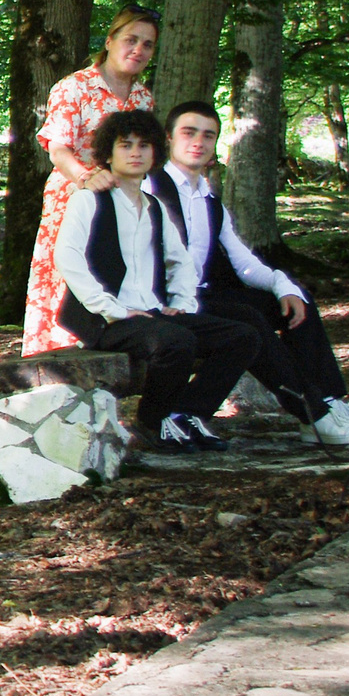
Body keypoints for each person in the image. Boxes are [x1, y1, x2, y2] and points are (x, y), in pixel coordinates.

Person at [153, 101, 349, 446]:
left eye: (208, 135)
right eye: (188, 133)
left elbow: (242, 261)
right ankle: (311, 412)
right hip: (168, 301)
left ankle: (328, 402)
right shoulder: (149, 189)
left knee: (294, 298)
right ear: (169, 138)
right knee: (246, 318)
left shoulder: (209, 199)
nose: (198, 142)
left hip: (205, 294)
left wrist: (283, 285)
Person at [53, 109, 262, 453]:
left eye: (144, 145)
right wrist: (112, 309)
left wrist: (181, 304)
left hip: (152, 313)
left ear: (155, 154)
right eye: (126, 145)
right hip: (105, 319)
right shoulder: (88, 200)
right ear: (109, 153)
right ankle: (151, 424)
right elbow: (68, 259)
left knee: (242, 336)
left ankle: (185, 416)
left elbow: (180, 261)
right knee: (175, 342)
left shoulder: (154, 205)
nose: (135, 152)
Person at [24, 8, 160, 355]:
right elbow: (58, 149)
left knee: (114, 272)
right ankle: (55, 362)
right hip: (76, 196)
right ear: (110, 41)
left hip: (122, 202)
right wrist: (88, 177)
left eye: (148, 44)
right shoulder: (75, 87)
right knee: (71, 276)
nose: (139, 50)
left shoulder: (143, 98)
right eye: (131, 40)